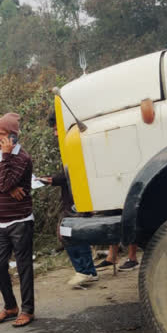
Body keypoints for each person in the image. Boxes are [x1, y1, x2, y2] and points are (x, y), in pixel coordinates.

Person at [0, 113, 35, 328]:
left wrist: (5, 161)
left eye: (1, 134)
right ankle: (10, 306)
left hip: (20, 220)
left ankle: (28, 310)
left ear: (13, 137)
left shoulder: (22, 158)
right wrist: (8, 188)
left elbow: (4, 181)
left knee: (24, 267)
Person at [38, 111, 99, 289]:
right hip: (73, 195)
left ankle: (84, 270)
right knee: (74, 233)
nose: (55, 133)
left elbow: (71, 172)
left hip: (76, 196)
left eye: (57, 129)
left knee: (69, 232)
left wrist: (51, 180)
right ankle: (89, 271)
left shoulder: (75, 143)